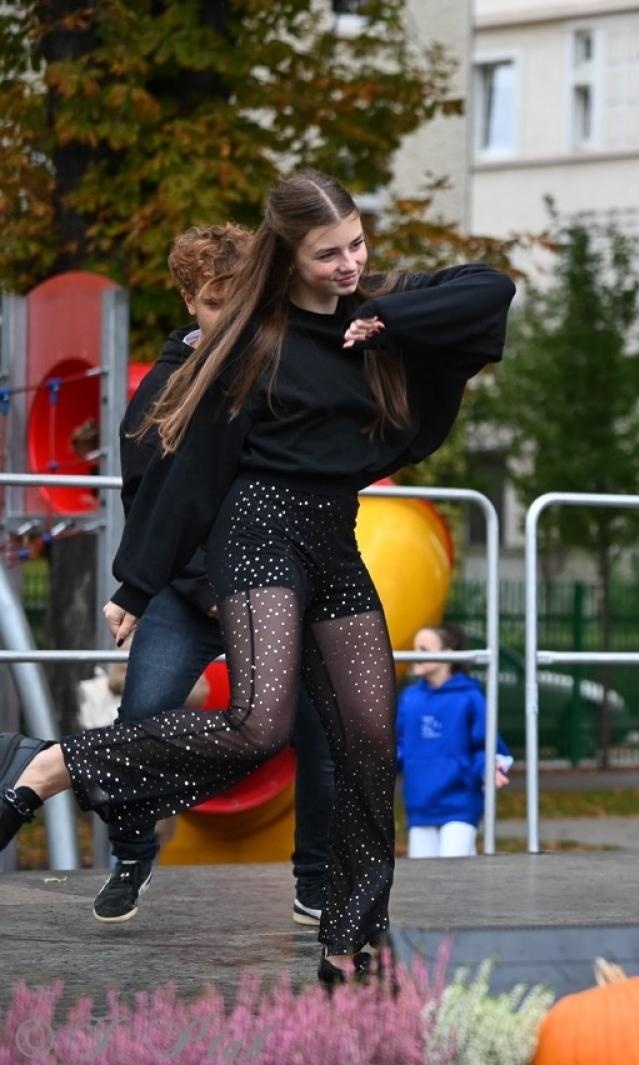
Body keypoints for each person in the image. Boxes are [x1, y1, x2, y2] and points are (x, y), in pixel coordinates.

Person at [0, 169, 515, 984]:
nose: (349, 263)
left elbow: (490, 291)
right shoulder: (253, 340)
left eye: (355, 243)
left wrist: (386, 317)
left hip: (334, 540)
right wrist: (137, 583)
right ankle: (53, 764)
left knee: (369, 738)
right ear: (288, 256)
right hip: (258, 531)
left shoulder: (375, 305)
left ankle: (348, 942)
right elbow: (191, 471)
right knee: (259, 723)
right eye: (327, 254)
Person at [90, 223, 339, 928]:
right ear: (187, 302)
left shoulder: (284, 367)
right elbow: (149, 501)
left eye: (242, 302)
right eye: (211, 304)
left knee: (322, 730)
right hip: (188, 591)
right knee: (139, 722)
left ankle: (315, 880)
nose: (229, 319)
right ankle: (132, 853)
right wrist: (172, 587)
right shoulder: (164, 390)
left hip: (275, 587)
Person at [397, 624, 512, 859]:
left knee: (453, 869)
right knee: (426, 875)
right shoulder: (410, 699)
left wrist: (489, 768)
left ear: (447, 654)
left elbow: (484, 746)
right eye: (414, 648)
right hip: (420, 806)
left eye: (424, 649)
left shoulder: (469, 697)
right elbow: (398, 747)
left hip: (459, 803)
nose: (415, 655)